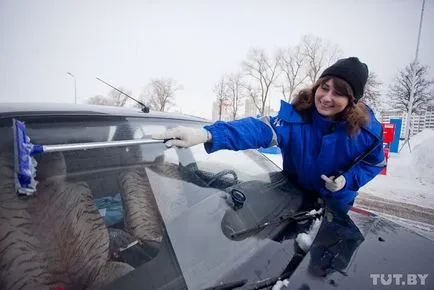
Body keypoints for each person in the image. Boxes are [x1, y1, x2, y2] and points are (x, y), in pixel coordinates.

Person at [153, 57, 386, 213]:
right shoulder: (295, 118)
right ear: (317, 87)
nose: (326, 97)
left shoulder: (367, 133)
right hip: (295, 199)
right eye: (324, 87)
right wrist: (207, 134)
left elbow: (373, 164)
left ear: (352, 101)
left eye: (338, 93)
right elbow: (257, 129)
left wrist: (348, 180)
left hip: (337, 205)